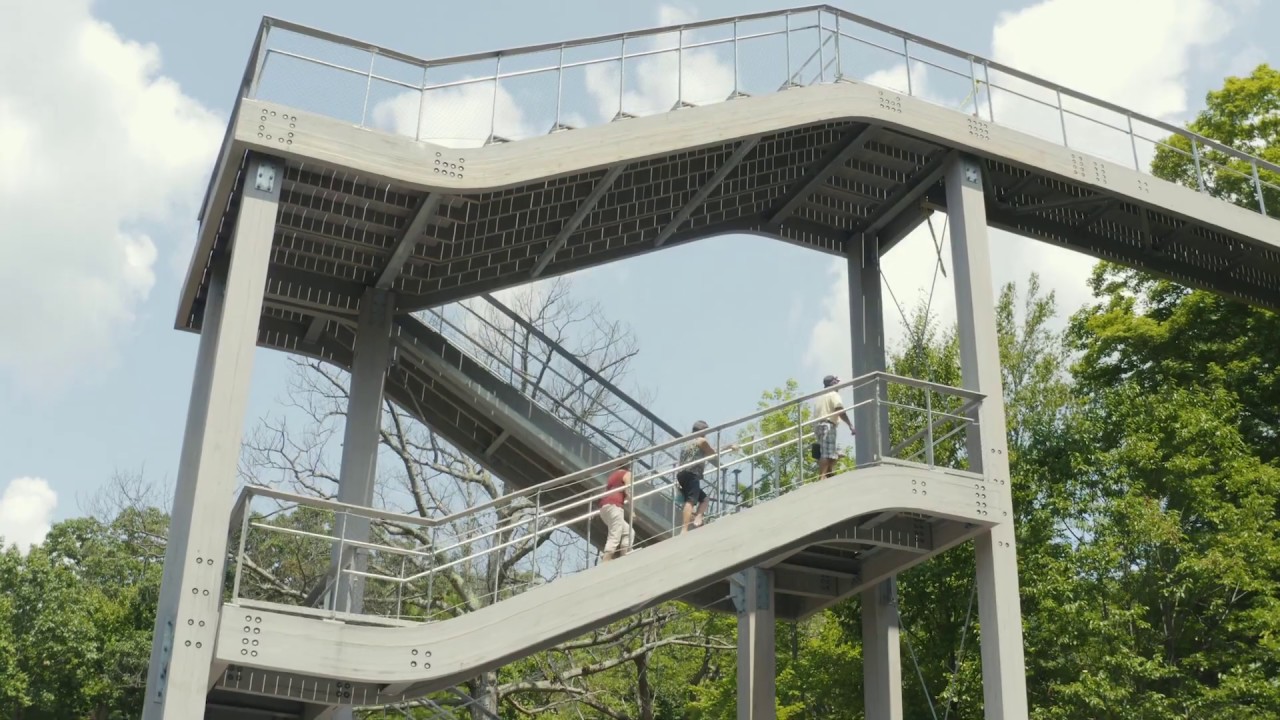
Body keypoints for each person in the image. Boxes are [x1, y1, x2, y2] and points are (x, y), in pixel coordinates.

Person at [676, 420, 736, 534]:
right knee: (690, 501)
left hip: (682, 474)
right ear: (702, 431)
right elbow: (713, 453)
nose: (706, 434)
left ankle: (698, 517)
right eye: (706, 431)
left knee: (704, 499)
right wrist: (729, 447)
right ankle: (684, 529)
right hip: (692, 473)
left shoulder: (687, 442)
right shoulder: (701, 441)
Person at [814, 374, 854, 480]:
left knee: (831, 453)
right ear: (832, 383)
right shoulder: (833, 394)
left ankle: (829, 474)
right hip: (828, 425)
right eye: (836, 382)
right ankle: (822, 477)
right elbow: (839, 410)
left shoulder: (820, 396)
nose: (838, 385)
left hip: (818, 426)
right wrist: (850, 425)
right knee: (827, 454)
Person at [598, 462, 632, 562]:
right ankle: (606, 560)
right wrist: (632, 509)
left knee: (629, 532)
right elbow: (628, 490)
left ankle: (625, 555)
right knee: (615, 535)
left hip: (604, 507)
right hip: (615, 506)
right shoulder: (627, 473)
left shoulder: (612, 476)